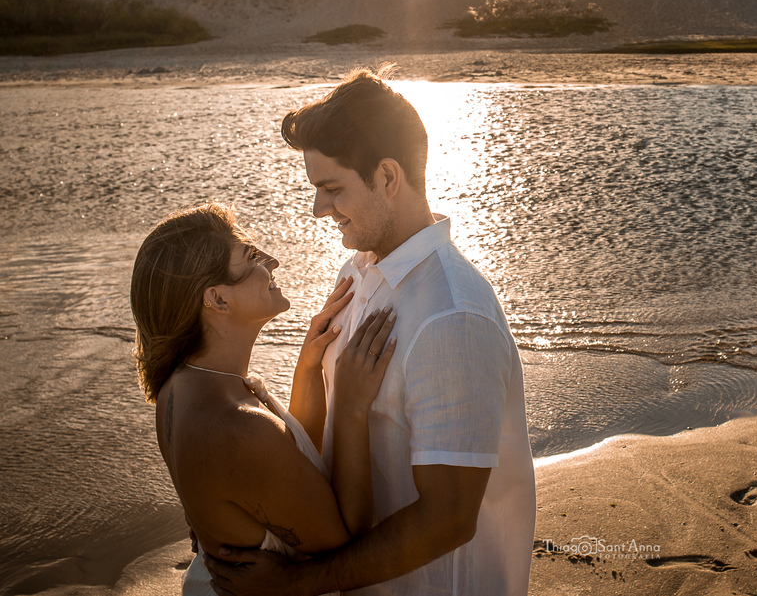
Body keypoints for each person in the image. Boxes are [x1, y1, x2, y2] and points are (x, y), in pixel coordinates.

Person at [206, 69, 536, 596]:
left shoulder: (451, 317)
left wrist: (299, 582)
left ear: (387, 176)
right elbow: (326, 430)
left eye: (332, 188)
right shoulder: (358, 273)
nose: (317, 208)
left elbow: (449, 519)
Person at [130, 202, 399, 595]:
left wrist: (308, 369)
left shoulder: (182, 386)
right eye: (251, 256)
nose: (271, 262)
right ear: (217, 299)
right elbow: (347, 540)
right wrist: (351, 408)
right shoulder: (239, 428)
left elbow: (289, 475)